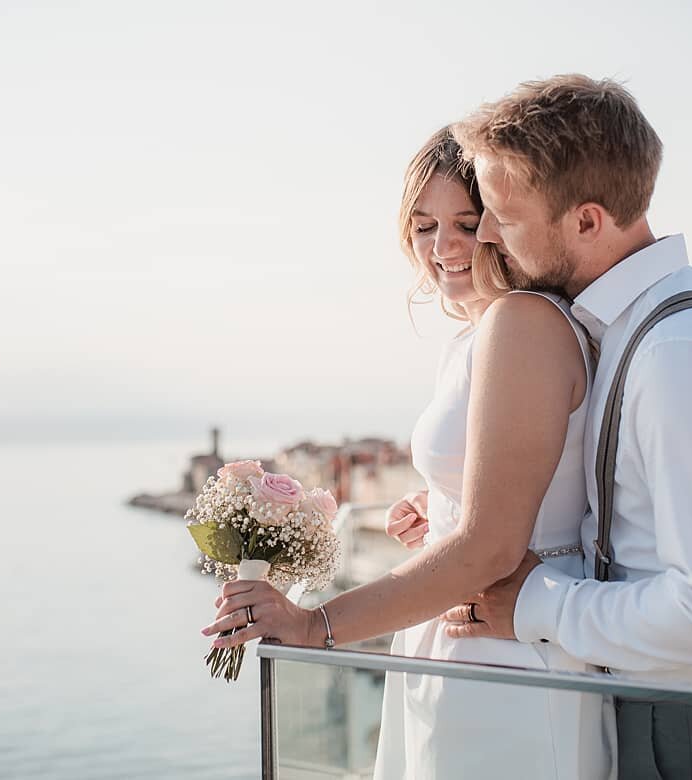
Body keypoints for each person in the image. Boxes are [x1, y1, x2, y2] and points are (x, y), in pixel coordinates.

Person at [201, 126, 612, 779]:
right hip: (455, 642)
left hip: (509, 655)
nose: (442, 247)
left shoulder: (523, 322)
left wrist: (315, 626)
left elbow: (491, 547)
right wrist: (441, 504)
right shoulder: (474, 336)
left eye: (466, 222)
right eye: (423, 226)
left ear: (504, 224)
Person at [442, 74, 692, 779]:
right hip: (672, 711)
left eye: (503, 213)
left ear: (587, 221)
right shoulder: (628, 329)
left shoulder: (685, 355)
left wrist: (536, 600)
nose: (485, 233)